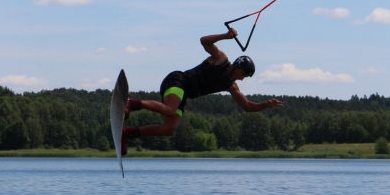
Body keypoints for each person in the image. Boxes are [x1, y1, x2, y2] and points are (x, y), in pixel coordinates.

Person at [121, 27, 284, 154]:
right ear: (238, 66)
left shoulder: (231, 85)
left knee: (169, 129)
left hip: (184, 94)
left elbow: (247, 107)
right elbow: (204, 41)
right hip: (178, 81)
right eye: (243, 74)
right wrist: (225, 36)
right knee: (171, 110)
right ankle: (131, 102)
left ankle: (127, 133)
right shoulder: (220, 59)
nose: (242, 79)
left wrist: (265, 105)